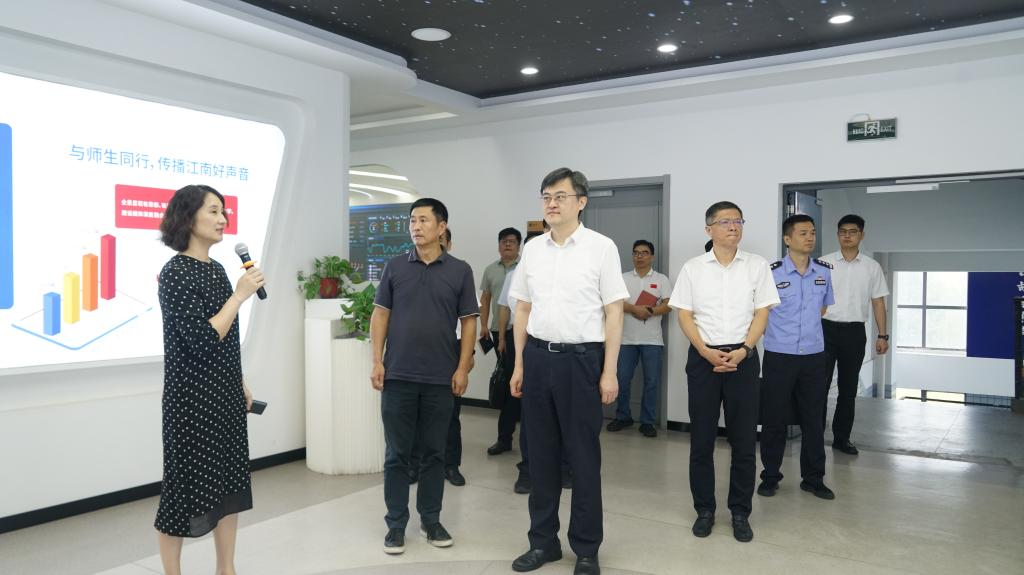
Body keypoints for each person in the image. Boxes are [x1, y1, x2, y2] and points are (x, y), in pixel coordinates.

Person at [508, 167, 628, 575]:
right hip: (538, 358)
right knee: (539, 457)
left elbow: (614, 312)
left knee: (582, 458)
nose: (551, 203)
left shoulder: (601, 248)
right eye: (546, 197)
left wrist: (609, 371)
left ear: (581, 202)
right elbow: (523, 308)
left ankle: (587, 549)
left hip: (582, 361)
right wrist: (519, 363)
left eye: (560, 196)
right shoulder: (533, 249)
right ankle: (543, 543)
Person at [155, 184, 265, 575]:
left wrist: (239, 381)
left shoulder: (216, 269)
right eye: (213, 211)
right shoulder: (175, 273)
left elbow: (226, 337)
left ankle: (226, 568)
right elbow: (202, 339)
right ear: (188, 218)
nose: (222, 220)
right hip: (191, 401)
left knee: (229, 486)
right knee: (181, 495)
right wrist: (239, 296)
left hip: (223, 394)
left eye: (223, 212)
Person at [370, 198, 479, 555]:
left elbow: (469, 323)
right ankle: (395, 525)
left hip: (440, 379)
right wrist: (377, 361)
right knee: (397, 455)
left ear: (441, 227)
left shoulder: (460, 271)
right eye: (412, 221)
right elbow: (380, 316)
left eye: (423, 221)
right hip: (398, 376)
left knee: (434, 454)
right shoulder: (395, 267)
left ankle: (431, 521)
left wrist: (462, 367)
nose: (415, 227)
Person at [669, 201, 779, 543]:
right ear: (709, 229)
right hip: (703, 358)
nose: (733, 226)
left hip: (743, 358)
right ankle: (704, 510)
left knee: (744, 441)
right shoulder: (693, 268)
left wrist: (744, 350)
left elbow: (762, 312)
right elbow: (684, 314)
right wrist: (704, 351)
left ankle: (740, 512)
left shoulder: (757, 266)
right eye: (725, 221)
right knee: (701, 440)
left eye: (738, 221)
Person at [758, 215, 836, 501]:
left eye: (812, 232)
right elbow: (760, 313)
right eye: (803, 233)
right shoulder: (771, 273)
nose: (810, 237)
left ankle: (813, 479)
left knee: (813, 419)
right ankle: (770, 476)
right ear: (787, 239)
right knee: (774, 418)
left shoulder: (823, 272)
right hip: (780, 355)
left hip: (814, 356)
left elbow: (823, 309)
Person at [820, 214, 890, 455]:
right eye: (843, 231)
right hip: (825, 330)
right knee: (819, 386)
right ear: (837, 234)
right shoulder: (823, 263)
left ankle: (842, 438)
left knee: (848, 389)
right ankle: (815, 436)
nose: (847, 236)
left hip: (854, 333)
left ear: (861, 235)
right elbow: (812, 299)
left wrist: (883, 336)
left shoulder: (872, 267)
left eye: (852, 231)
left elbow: (878, 302)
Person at [408, 227, 470, 487]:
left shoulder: (459, 273)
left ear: (449, 243)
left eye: (443, 240)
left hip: (450, 354)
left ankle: (451, 465)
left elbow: (468, 324)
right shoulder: (412, 271)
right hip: (416, 355)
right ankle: (414, 466)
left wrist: (465, 362)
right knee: (415, 416)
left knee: (449, 417)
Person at [606, 240, 672, 437]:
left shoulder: (661, 279)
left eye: (644, 253)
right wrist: (634, 308)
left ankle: (647, 422)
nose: (639, 256)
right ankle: (623, 416)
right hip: (625, 339)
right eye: (636, 253)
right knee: (622, 379)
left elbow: (669, 305)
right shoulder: (622, 278)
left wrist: (650, 311)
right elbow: (613, 302)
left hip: (652, 340)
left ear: (652, 256)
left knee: (651, 382)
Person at [480, 227, 523, 456]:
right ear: (498, 245)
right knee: (509, 383)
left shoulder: (525, 268)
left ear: (519, 245)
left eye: (512, 241)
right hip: (501, 334)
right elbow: (485, 300)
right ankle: (504, 438)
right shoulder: (490, 270)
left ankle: (529, 439)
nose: (507, 245)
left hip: (528, 334)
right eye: (504, 241)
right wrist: (484, 326)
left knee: (524, 385)